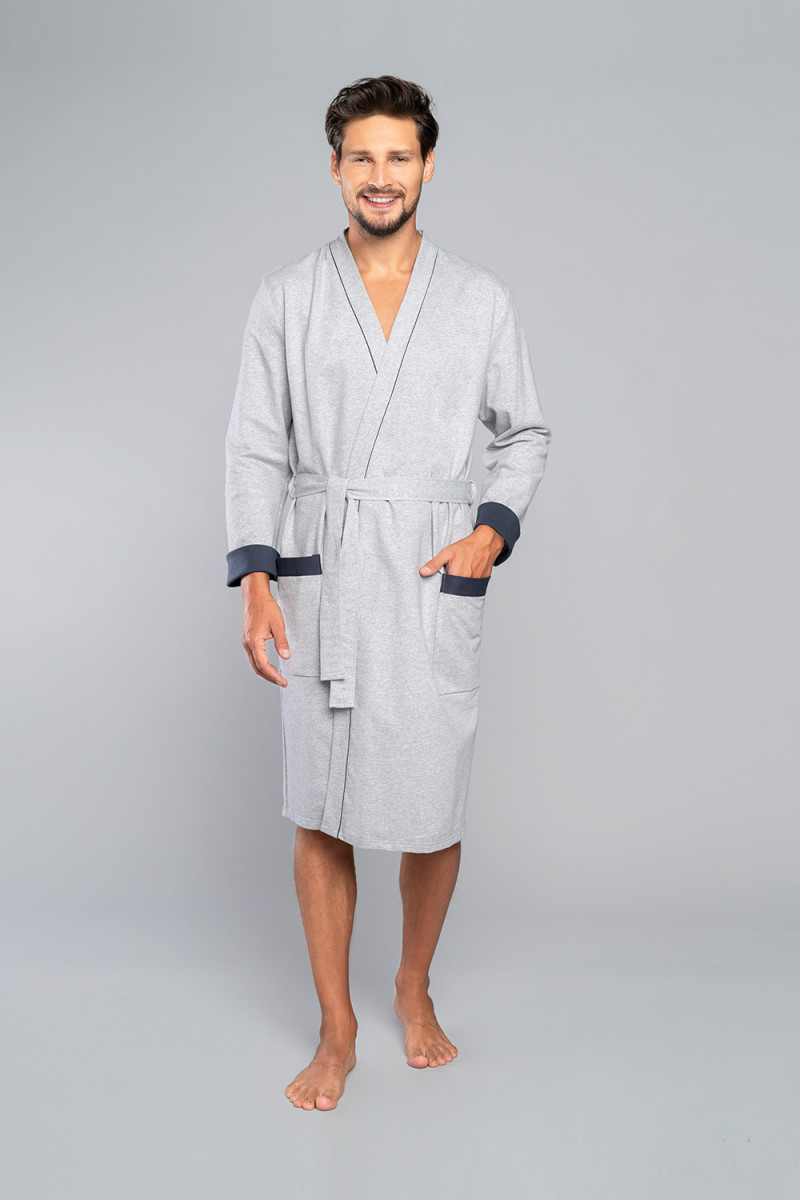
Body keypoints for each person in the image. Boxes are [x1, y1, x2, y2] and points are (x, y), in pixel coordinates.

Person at [224, 75, 552, 1111]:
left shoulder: (478, 299)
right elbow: (255, 447)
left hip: (425, 571)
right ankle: (337, 1026)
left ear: (427, 165)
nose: (380, 175)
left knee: (430, 806)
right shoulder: (286, 297)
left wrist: (488, 533)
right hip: (323, 570)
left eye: (397, 156)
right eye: (360, 156)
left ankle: (413, 983)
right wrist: (256, 580)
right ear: (334, 168)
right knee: (319, 807)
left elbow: (524, 433)